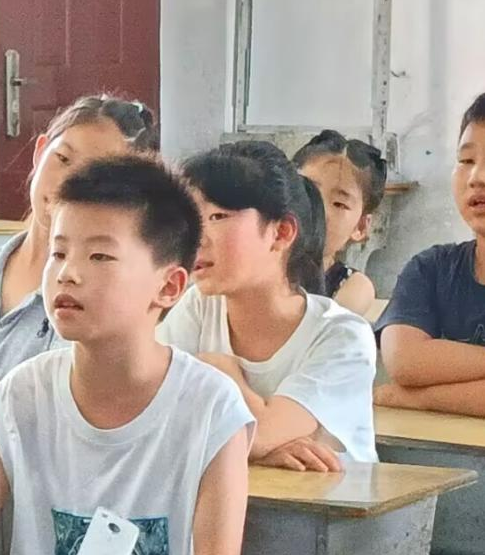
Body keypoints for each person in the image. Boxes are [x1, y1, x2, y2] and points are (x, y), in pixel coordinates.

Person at [0, 157, 253, 555]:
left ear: (169, 287)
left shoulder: (211, 406)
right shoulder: (22, 395)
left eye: (100, 256)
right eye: (58, 252)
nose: (68, 273)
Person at [158, 141, 378, 472]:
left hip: (331, 504)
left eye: (218, 216)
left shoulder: (342, 335)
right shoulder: (199, 308)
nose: (197, 238)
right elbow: (155, 420)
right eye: (191, 219)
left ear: (281, 233)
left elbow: (263, 433)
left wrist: (221, 372)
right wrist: (259, 452)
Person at [0, 94, 158, 386]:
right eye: (63, 159)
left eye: (94, 176)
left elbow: (45, 400)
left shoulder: (95, 296)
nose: (67, 182)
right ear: (40, 151)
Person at [376, 94, 485, 416]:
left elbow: (405, 384)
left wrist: (415, 399)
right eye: (466, 160)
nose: (477, 177)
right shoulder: (431, 269)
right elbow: (404, 360)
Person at [293, 129, 387, 317]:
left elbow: (318, 328)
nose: (319, 208)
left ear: (360, 226)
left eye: (339, 204)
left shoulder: (354, 286)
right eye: (308, 191)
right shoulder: (257, 265)